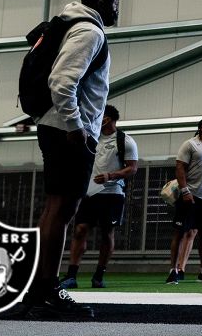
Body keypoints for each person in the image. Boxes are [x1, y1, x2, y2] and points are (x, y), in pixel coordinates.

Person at [23, 0, 119, 319]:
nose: (117, 9)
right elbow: (62, 82)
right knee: (62, 210)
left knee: (55, 209)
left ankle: (38, 290)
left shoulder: (68, 23)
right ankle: (47, 291)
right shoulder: (89, 32)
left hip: (56, 125)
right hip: (67, 130)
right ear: (100, 1)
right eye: (114, 2)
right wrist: (77, 128)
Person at [60, 104, 137, 290]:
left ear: (107, 119)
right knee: (80, 229)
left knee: (106, 233)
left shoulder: (125, 141)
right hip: (89, 192)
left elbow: (132, 168)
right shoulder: (91, 136)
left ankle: (99, 275)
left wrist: (111, 176)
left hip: (111, 193)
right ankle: (71, 275)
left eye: (99, 115)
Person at [167, 117, 202, 285]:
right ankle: (173, 270)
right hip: (190, 196)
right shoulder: (190, 144)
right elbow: (180, 167)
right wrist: (184, 190)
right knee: (180, 233)